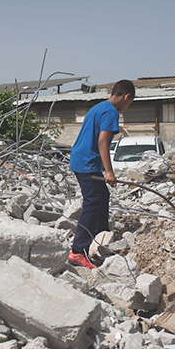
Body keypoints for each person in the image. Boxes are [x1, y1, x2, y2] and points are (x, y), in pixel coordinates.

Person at [67, 79, 135, 269]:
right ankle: (78, 251)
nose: (127, 107)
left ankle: (101, 236)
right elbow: (103, 141)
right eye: (129, 103)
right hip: (87, 162)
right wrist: (109, 172)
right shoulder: (111, 112)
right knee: (92, 203)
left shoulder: (98, 107)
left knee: (102, 195)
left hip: (82, 159)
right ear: (127, 96)